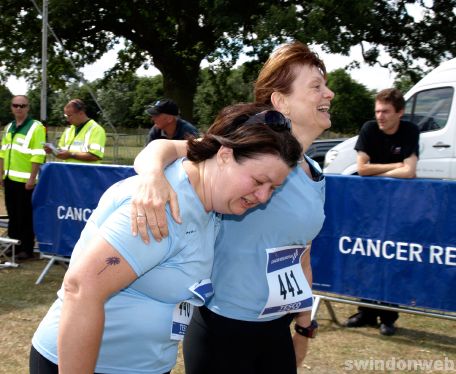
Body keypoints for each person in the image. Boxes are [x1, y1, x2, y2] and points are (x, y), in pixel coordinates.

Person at [30, 103, 302, 374]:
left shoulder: (208, 194)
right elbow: (81, 289)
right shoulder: (162, 208)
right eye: (258, 181)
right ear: (225, 157)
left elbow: (187, 146)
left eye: (273, 188)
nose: (263, 197)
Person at [131, 41, 334, 373]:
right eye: (316, 87)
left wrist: (303, 326)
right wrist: (153, 177)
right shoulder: (243, 152)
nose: (329, 94)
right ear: (281, 101)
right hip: (221, 329)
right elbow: (162, 149)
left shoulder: (315, 171)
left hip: (275, 331)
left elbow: (302, 256)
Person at [344, 88, 420, 336]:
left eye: (386, 111)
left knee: (390, 259)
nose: (380, 116)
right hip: (369, 208)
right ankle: (365, 311)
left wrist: (383, 170)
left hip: (398, 207)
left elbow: (410, 172)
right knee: (367, 257)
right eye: (377, 110)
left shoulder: (410, 130)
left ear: (399, 112)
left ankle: (388, 317)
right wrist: (394, 166)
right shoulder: (368, 129)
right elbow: (362, 169)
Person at [0, 95, 46, 260]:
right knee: (12, 215)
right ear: (11, 107)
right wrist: (1, 174)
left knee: (25, 216)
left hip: (26, 181)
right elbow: (3, 152)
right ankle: (13, 246)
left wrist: (32, 178)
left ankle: (27, 249)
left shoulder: (36, 127)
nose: (18, 108)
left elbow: (38, 154)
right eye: (15, 105)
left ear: (28, 108)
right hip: (10, 179)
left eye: (22, 105)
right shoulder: (9, 127)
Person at [44, 99, 106, 163]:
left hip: (87, 172)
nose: (67, 119)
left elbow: (95, 156)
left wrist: (71, 154)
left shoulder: (96, 129)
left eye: (69, 116)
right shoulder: (68, 131)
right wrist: (53, 151)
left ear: (81, 113)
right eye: (66, 116)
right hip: (68, 171)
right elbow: (63, 154)